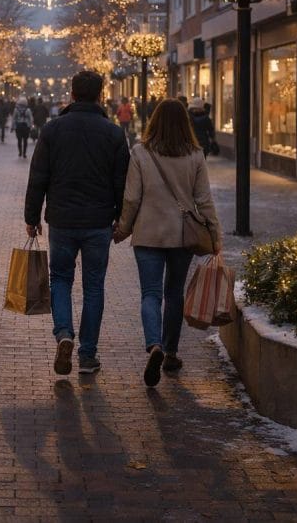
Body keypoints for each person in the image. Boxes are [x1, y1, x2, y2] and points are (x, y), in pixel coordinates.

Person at [24, 71, 130, 376]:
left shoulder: (53, 129)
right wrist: (122, 220)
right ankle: (87, 355)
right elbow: (121, 182)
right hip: (98, 221)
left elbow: (38, 176)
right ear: (100, 95)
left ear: (72, 94)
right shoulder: (112, 133)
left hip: (62, 219)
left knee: (60, 279)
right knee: (94, 285)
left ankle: (64, 333)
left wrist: (32, 217)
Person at [113, 99, 222, 387]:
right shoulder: (195, 155)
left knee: (151, 293)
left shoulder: (140, 153)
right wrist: (215, 236)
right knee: (174, 294)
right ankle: (171, 351)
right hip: (182, 236)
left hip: (148, 234)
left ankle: (154, 345)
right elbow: (204, 201)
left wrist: (123, 228)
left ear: (154, 121)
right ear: (185, 123)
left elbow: (132, 197)